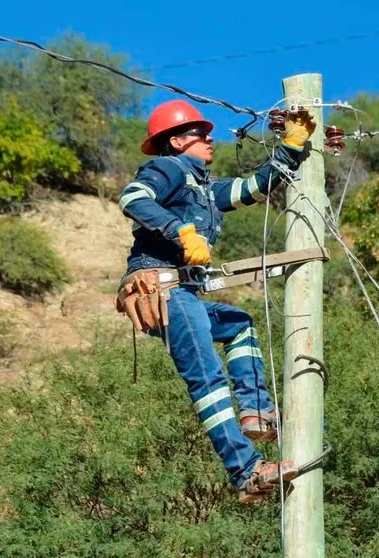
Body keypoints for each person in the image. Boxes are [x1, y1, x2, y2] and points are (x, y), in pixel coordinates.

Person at [115, 99, 316, 503]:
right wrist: (181, 231)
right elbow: (133, 199)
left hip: (182, 292)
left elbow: (253, 188)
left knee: (239, 323)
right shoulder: (167, 168)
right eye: (199, 134)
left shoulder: (205, 187)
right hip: (163, 288)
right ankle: (247, 471)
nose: (210, 139)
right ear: (175, 140)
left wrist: (292, 145)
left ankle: (256, 410)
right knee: (206, 378)